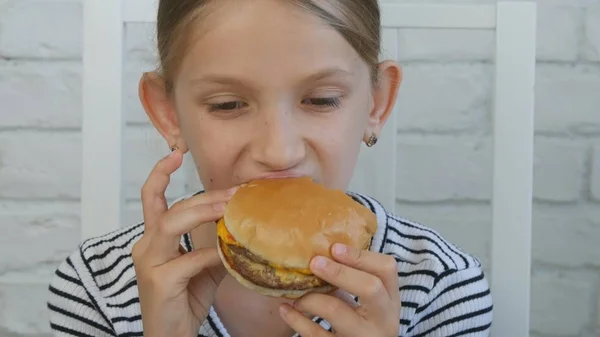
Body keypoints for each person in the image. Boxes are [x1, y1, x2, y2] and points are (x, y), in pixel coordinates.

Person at [47, 0, 493, 336]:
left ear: (376, 103)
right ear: (168, 113)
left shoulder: (440, 287)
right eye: (228, 104)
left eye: (320, 100)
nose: (279, 152)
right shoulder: (97, 286)